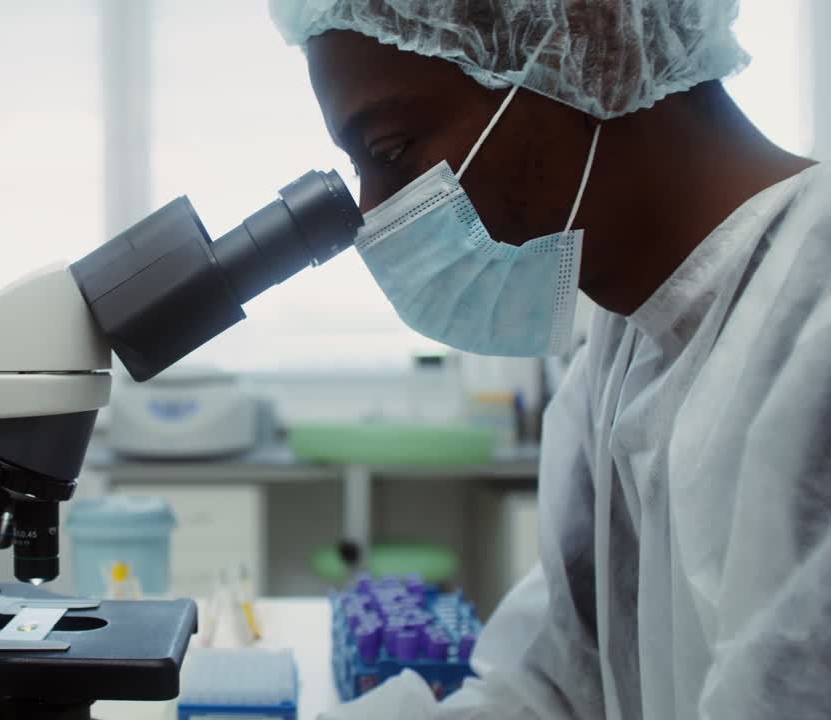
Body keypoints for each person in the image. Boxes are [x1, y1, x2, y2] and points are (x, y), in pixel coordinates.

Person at [270, 1, 830, 717]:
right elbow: (558, 691)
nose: (372, 213)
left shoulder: (813, 334)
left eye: (389, 148)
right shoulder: (628, 349)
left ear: (594, 44)